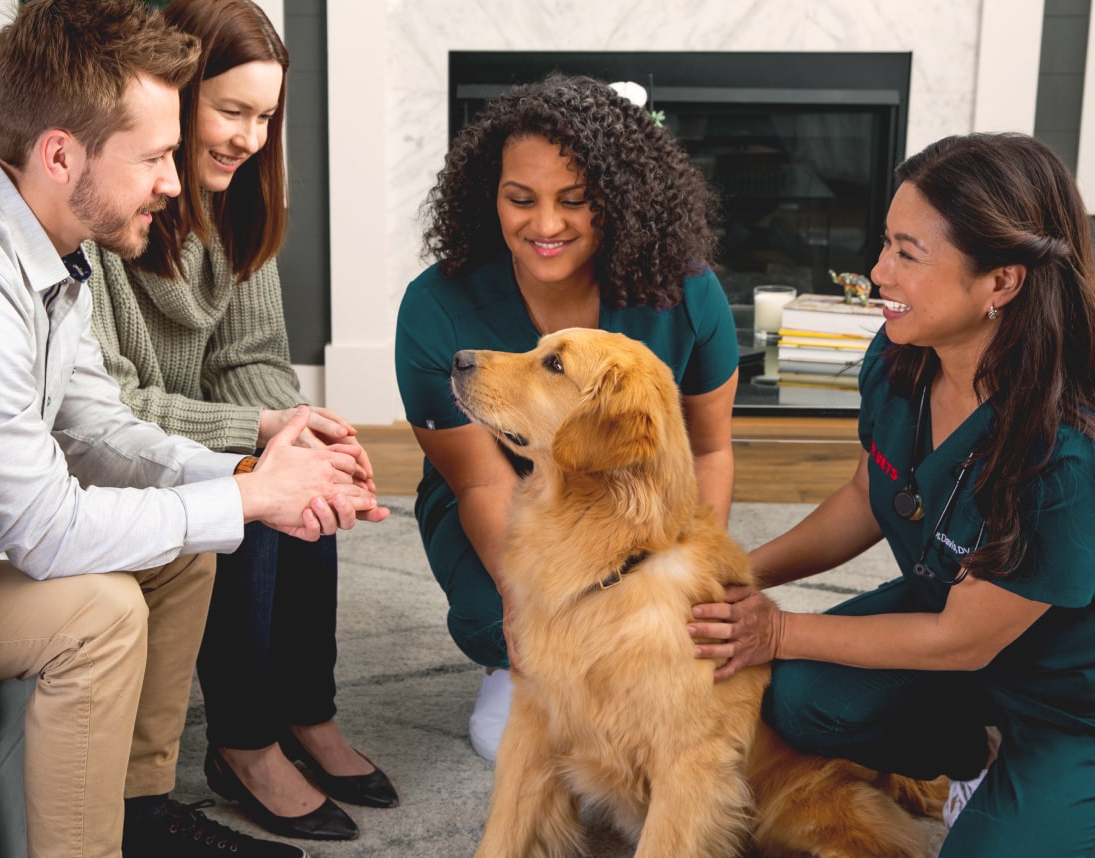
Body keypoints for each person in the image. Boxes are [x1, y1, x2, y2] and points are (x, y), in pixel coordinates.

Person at [0, 1, 385, 856]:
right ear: (59, 154)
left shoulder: (47, 251)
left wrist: (243, 480)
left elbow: (97, 427)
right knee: (100, 612)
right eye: (155, 155)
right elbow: (45, 532)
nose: (171, 179)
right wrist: (251, 493)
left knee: (187, 546)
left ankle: (141, 813)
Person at [689, 133, 1095, 857]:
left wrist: (777, 630)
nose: (877, 271)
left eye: (908, 254)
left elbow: (961, 639)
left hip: (1069, 696)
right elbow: (868, 491)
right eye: (884, 243)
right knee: (802, 698)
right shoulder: (903, 352)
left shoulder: (1065, 454)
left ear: (1000, 283)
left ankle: (1034, 789)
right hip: (952, 613)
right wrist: (733, 572)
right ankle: (975, 756)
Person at [84, 0, 396, 844]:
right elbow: (102, 411)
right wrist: (255, 437)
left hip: (187, 426)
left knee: (304, 453)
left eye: (265, 117)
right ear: (174, 97)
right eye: (231, 111)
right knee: (257, 483)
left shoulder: (236, 204)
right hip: (113, 451)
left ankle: (307, 713)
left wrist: (292, 422)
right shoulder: (101, 215)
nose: (250, 138)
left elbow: (255, 358)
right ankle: (244, 741)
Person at [395, 73, 739, 761]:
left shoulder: (691, 294)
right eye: (520, 199)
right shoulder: (434, 309)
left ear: (619, 203)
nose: (545, 225)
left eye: (574, 202)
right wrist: (527, 609)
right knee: (497, 616)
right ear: (488, 194)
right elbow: (485, 485)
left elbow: (708, 452)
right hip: (510, 493)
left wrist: (686, 580)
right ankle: (510, 668)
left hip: (633, 501)